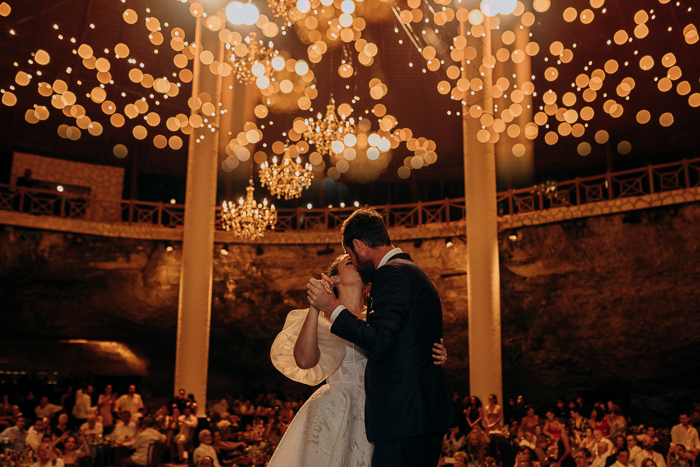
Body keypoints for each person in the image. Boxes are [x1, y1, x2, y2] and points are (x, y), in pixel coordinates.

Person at [307, 207, 458, 467]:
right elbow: (407, 337)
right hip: (421, 413)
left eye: (352, 256)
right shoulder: (414, 271)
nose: (353, 262)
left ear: (359, 246)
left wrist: (331, 307)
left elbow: (380, 342)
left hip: (404, 416)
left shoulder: (390, 274)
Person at [270, 254, 449, 467]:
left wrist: (435, 356)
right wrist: (316, 306)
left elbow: (404, 353)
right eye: (348, 261)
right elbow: (304, 361)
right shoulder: (322, 320)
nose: (356, 261)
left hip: (381, 409)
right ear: (334, 278)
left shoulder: (380, 320)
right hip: (337, 414)